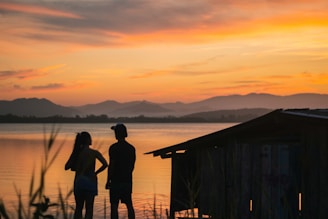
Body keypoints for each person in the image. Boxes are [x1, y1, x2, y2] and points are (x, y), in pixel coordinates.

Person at [65, 131, 108, 219]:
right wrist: (96, 173)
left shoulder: (76, 153)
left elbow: (66, 167)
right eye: (90, 138)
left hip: (79, 182)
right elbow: (105, 164)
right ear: (87, 140)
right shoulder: (94, 153)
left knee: (78, 208)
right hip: (91, 182)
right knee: (89, 209)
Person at [106, 123, 136, 219]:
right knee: (129, 204)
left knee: (114, 206)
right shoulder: (131, 148)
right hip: (127, 180)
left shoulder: (113, 148)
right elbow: (132, 166)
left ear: (117, 134)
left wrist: (108, 180)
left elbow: (112, 165)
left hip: (115, 181)